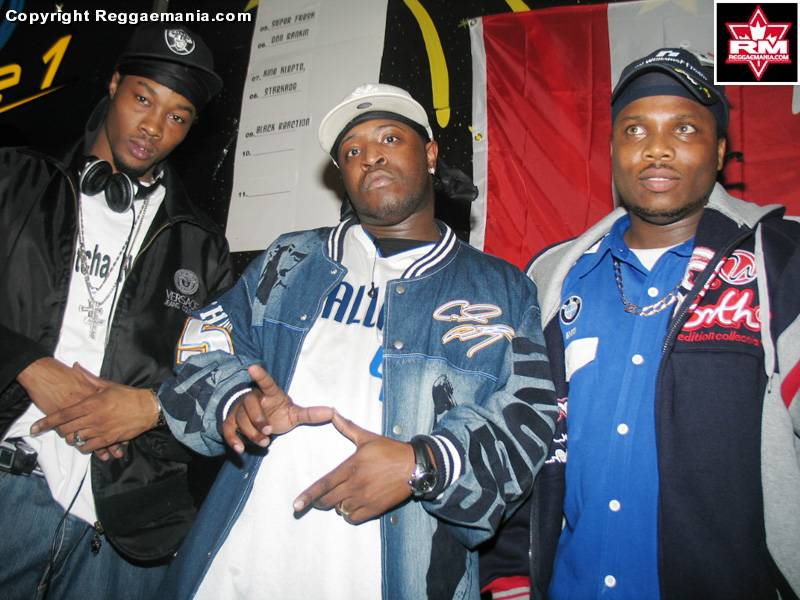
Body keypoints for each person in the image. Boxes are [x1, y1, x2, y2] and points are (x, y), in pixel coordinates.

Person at [155, 82, 557, 599]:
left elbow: (529, 419)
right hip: (237, 569)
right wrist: (234, 400)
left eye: (390, 138)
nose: (370, 157)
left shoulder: (501, 289)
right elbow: (205, 337)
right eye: (352, 151)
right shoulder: (291, 259)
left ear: (430, 154)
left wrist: (424, 463)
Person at [525, 48, 800, 599]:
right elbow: (526, 439)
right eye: (634, 130)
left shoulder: (782, 259)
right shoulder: (552, 276)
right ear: (612, 149)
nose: (656, 148)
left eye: (684, 128)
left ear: (719, 151)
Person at [0, 24, 234, 599]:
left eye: (178, 116)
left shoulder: (202, 246)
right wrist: (27, 364)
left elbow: (222, 382)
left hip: (127, 526)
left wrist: (151, 410)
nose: (154, 126)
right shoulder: (14, 179)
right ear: (113, 85)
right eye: (143, 99)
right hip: (11, 486)